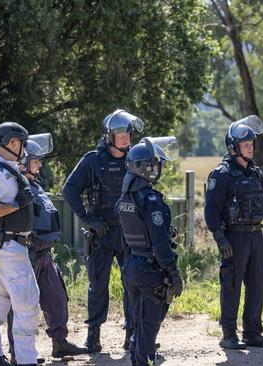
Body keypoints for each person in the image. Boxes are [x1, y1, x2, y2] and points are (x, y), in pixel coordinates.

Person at [62, 109, 144, 352]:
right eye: (120, 133)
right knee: (98, 286)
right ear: (109, 136)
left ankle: (133, 335)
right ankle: (93, 337)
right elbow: (69, 190)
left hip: (130, 232)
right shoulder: (92, 161)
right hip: (102, 233)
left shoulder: (136, 158)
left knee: (133, 283)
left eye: (128, 132)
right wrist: (88, 220)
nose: (126, 137)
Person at [6, 134, 87, 365]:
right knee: (22, 305)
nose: (40, 164)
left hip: (44, 254)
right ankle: (18, 354)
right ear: (23, 162)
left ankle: (59, 344)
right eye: (35, 160)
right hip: (26, 253)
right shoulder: (14, 187)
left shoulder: (34, 185)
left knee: (57, 298)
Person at [204, 115, 263, 350]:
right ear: (233, 146)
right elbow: (211, 210)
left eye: (252, 143)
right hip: (233, 237)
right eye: (246, 144)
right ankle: (228, 335)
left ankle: (253, 333)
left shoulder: (255, 172)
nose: (250, 147)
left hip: (256, 235)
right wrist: (219, 237)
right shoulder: (222, 174)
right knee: (231, 285)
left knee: (257, 283)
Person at [0, 122, 39, 366]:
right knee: (27, 304)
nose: (25, 148)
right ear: (12, 143)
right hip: (9, 247)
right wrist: (14, 206)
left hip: (0, 246)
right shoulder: (0, 173)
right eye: (22, 143)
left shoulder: (4, 169)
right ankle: (26, 360)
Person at [116, 136, 184, 366]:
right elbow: (160, 244)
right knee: (149, 327)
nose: (156, 169)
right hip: (150, 270)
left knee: (138, 325)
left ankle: (138, 357)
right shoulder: (151, 200)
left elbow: (126, 238)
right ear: (142, 167)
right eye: (152, 165)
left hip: (132, 267)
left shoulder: (125, 198)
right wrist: (174, 274)